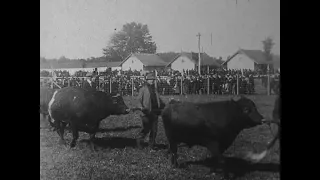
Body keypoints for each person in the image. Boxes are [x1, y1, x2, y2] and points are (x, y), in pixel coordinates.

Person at [136, 72, 165, 149]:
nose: (152, 80)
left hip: (155, 112)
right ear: (147, 80)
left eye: (153, 79)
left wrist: (163, 105)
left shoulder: (154, 89)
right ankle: (139, 141)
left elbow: (159, 100)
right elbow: (138, 100)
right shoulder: (143, 89)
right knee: (146, 128)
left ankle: (151, 145)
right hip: (146, 112)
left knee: (154, 130)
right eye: (150, 79)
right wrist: (141, 107)